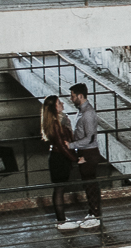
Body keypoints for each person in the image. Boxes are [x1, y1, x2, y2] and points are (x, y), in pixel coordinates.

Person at [40, 95, 79, 232]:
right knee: (59, 190)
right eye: (59, 102)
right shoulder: (56, 123)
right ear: (54, 107)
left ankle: (61, 218)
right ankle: (61, 221)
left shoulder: (57, 120)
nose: (62, 103)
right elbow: (62, 146)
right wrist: (75, 159)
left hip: (59, 157)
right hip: (59, 158)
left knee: (60, 189)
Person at [68, 82, 104, 229]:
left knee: (90, 185)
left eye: (72, 96)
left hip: (89, 152)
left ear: (80, 96)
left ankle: (96, 216)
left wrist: (70, 145)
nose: (71, 99)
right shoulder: (82, 111)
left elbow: (89, 138)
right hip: (84, 151)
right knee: (88, 184)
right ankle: (92, 213)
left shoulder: (88, 113)